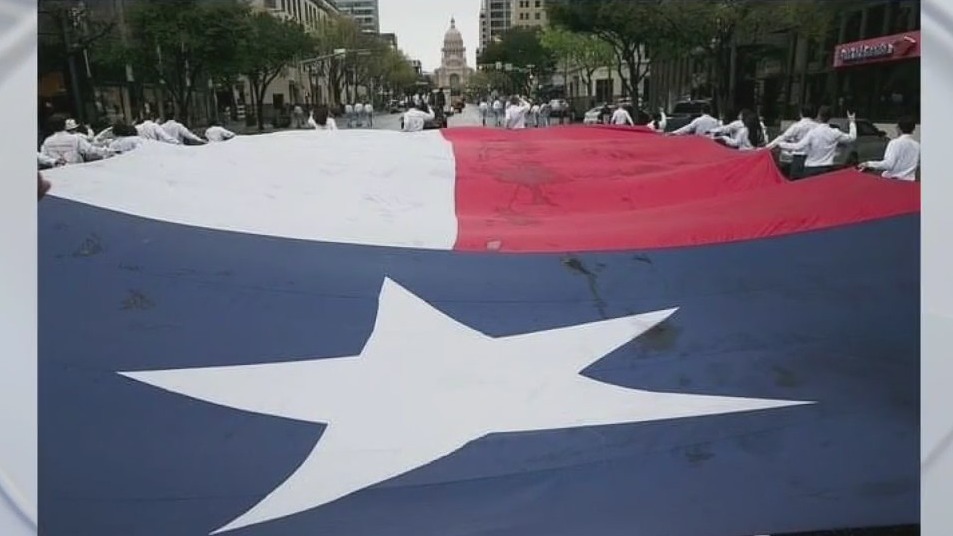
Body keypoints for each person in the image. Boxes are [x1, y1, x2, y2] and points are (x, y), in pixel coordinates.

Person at [779, 106, 857, 179]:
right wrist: (852, 122)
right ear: (830, 118)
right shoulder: (835, 132)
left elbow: (798, 146)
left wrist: (781, 144)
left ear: (818, 116)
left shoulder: (813, 132)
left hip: (810, 168)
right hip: (826, 168)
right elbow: (852, 137)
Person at [857, 116, 920, 181]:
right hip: (910, 182)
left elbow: (888, 164)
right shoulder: (917, 145)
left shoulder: (894, 143)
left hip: (893, 181)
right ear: (913, 129)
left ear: (898, 128)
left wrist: (868, 164)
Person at [765, 105, 819, 179]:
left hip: (799, 157)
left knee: (796, 183)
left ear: (801, 113)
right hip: (815, 158)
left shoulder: (797, 126)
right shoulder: (818, 126)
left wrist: (767, 148)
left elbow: (783, 137)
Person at [40, 114, 107, 165]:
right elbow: (90, 150)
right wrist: (108, 151)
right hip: (77, 169)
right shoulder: (75, 138)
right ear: (64, 125)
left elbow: (43, 157)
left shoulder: (47, 141)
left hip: (58, 173)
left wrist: (55, 162)